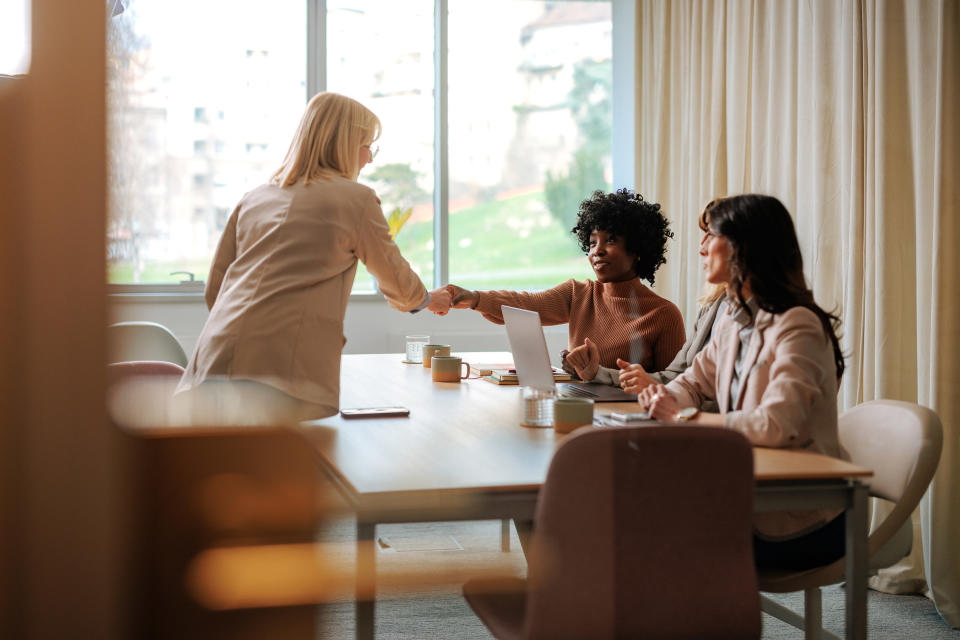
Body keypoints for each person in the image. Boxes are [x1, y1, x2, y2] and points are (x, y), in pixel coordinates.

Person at [176, 92, 451, 421]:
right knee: (289, 470)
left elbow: (216, 289)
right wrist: (429, 299)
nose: (369, 159)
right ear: (346, 145)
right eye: (367, 146)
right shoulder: (355, 200)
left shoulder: (255, 198)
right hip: (278, 370)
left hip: (212, 359)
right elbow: (397, 280)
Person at [637, 194, 847, 570]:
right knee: (631, 513)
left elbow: (774, 426)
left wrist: (681, 418)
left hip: (799, 516)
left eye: (710, 235)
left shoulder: (797, 325)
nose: (701, 247)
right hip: (745, 491)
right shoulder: (734, 321)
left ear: (744, 248)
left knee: (645, 529)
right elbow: (693, 383)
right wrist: (661, 396)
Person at [446, 189, 685, 380]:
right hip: (579, 407)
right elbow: (525, 303)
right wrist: (475, 298)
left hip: (630, 419)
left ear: (638, 250)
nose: (597, 251)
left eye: (610, 240)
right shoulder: (579, 294)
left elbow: (674, 386)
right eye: (592, 243)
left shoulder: (664, 315)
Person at [609, 282, 726, 412]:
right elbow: (676, 376)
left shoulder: (743, 319)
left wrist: (664, 395)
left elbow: (734, 406)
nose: (704, 260)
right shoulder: (712, 307)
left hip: (705, 424)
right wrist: (597, 373)